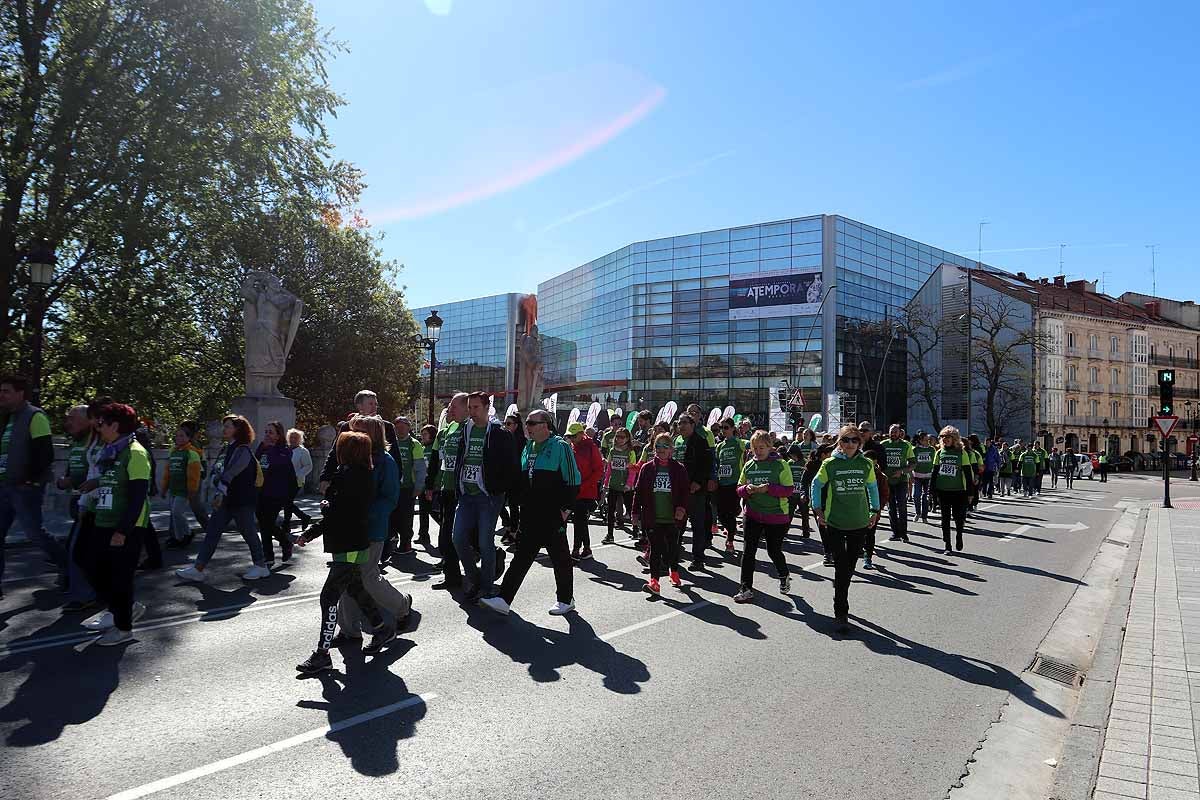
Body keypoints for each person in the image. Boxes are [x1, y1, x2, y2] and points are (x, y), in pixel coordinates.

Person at [295, 430, 393, 675]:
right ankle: (381, 628)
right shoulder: (355, 474)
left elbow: (339, 514)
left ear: (346, 451)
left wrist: (312, 530)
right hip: (349, 543)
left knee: (328, 597)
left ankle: (322, 654)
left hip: (349, 544)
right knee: (355, 589)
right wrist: (327, 510)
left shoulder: (353, 477)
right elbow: (339, 510)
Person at [481, 410, 579, 616]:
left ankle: (565, 599)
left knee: (560, 558)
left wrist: (565, 510)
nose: (528, 427)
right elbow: (522, 482)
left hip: (553, 515)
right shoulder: (528, 448)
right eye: (527, 423)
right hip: (530, 515)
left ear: (546, 425)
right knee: (522, 558)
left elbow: (573, 480)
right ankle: (504, 599)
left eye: (532, 423)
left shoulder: (561, 447)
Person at [74, 403, 151, 645]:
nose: (98, 427)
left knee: (120, 577)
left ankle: (123, 627)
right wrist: (95, 483)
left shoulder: (135, 452)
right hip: (103, 518)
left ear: (114, 426)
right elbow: (114, 479)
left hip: (126, 525)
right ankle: (124, 607)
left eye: (102, 423)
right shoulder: (112, 450)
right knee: (87, 562)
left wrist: (123, 531)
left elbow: (138, 494)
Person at [335, 415, 411, 646]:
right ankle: (349, 630)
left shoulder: (386, 462)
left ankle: (401, 605)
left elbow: (390, 498)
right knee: (348, 579)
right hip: (351, 528)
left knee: (367, 579)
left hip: (372, 529)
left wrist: (366, 513)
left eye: (358, 431)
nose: (352, 435)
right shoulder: (352, 459)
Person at [175, 415, 269, 582]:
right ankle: (198, 568)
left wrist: (219, 491)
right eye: (224, 426)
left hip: (241, 501)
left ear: (238, 430)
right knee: (212, 532)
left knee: (248, 533)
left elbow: (231, 473)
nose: (224, 429)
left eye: (228, 426)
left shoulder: (243, 450)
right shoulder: (227, 448)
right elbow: (218, 470)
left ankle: (261, 566)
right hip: (226, 500)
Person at [810, 424, 880, 632]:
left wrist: (875, 510)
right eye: (845, 440)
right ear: (839, 443)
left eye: (854, 440)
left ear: (860, 442)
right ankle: (841, 612)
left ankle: (841, 588)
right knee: (841, 567)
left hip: (859, 522)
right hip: (835, 523)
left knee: (849, 567)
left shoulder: (866, 464)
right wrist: (818, 508)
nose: (850, 444)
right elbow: (816, 484)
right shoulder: (830, 464)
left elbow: (872, 487)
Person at [451, 392, 515, 601]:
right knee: (458, 538)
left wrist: (501, 489)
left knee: (484, 541)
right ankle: (474, 577)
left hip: (488, 497)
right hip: (466, 495)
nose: (472, 412)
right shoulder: (466, 430)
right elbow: (461, 458)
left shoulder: (499, 432)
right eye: (469, 408)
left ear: (487, 407)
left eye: (476, 407)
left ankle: (486, 587)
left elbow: (511, 465)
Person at [0, 374, 61, 592]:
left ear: (20, 393)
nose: (1, 395)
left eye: (6, 391)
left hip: (24, 488)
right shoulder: (7, 418)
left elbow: (45, 453)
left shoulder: (35, 416)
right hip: (4, 486)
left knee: (35, 533)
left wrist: (29, 480)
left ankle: (66, 566)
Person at [734, 430, 794, 603]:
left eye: (762, 447)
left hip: (776, 515)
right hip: (752, 514)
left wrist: (768, 489)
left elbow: (789, 490)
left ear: (770, 447)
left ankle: (783, 574)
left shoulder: (780, 464)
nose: (758, 451)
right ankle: (745, 588)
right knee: (748, 551)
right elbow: (739, 487)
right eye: (755, 448)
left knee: (773, 550)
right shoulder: (749, 465)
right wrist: (747, 490)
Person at [632, 432, 688, 595]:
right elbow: (639, 491)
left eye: (665, 446)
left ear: (671, 449)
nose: (661, 449)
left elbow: (685, 492)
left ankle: (674, 571)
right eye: (658, 446)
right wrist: (635, 512)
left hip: (672, 518)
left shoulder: (679, 469)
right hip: (652, 517)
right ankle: (654, 582)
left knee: (672, 548)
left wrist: (681, 509)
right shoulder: (647, 468)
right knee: (655, 549)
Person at [58, 404, 102, 611]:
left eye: (73, 418)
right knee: (78, 548)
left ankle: (84, 594)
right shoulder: (79, 442)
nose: (69, 423)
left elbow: (100, 473)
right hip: (82, 501)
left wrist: (72, 481)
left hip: (96, 505)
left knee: (78, 549)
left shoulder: (99, 443)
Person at [426, 393, 468, 590]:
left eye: (453, 406)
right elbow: (436, 460)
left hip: (466, 493)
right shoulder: (445, 432)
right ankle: (452, 577)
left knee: (464, 537)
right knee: (446, 539)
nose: (449, 410)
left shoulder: (472, 429)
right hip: (446, 490)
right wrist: (429, 485)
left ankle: (492, 556)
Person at [318, 389, 399, 491]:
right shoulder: (347, 426)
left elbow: (395, 454)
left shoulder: (387, 427)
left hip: (379, 480)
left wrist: (396, 479)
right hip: (351, 479)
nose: (374, 407)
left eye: (376, 404)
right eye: (370, 403)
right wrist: (325, 477)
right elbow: (335, 452)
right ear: (359, 406)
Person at [675, 414, 714, 572]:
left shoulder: (700, 441)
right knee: (678, 524)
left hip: (695, 490)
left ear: (693, 425)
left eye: (685, 423)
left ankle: (698, 558)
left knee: (697, 525)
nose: (681, 426)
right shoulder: (676, 440)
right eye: (679, 423)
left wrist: (697, 482)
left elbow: (707, 463)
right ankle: (673, 555)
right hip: (678, 489)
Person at [255, 420, 297, 567]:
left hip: (276, 493)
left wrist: (271, 448)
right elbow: (256, 462)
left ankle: (274, 551)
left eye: (270, 432)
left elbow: (278, 463)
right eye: (266, 432)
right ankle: (275, 551)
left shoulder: (284, 451)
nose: (267, 435)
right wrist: (262, 447)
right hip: (261, 492)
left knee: (267, 523)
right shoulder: (263, 448)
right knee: (264, 524)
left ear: (278, 436)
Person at [162, 422, 204, 549]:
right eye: (177, 436)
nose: (179, 438)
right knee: (175, 514)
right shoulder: (173, 452)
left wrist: (192, 490)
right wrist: (164, 488)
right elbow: (167, 472)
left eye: (182, 436)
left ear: (188, 438)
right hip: (174, 489)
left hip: (184, 490)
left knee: (177, 512)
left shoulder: (192, 453)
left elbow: (194, 475)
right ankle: (179, 537)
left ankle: (186, 534)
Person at [565, 421, 603, 561]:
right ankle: (586, 549)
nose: (571, 438)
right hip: (576, 489)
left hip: (586, 491)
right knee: (580, 520)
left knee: (579, 519)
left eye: (574, 436)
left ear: (581, 434)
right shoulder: (573, 447)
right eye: (570, 436)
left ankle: (576, 549)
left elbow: (599, 470)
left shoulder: (591, 447)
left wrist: (584, 485)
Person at [389, 416, 425, 557]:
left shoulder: (414, 444)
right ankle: (393, 542)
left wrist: (418, 487)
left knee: (406, 518)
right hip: (392, 487)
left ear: (409, 428)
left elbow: (420, 468)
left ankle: (406, 543)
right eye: (397, 427)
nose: (400, 430)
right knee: (392, 517)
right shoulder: (391, 443)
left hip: (407, 487)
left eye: (403, 427)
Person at [932, 426, 972, 555]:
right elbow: (934, 473)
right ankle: (947, 545)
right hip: (943, 490)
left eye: (947, 437)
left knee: (958, 518)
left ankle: (959, 535)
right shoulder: (939, 453)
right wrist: (931, 491)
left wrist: (971, 493)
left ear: (954, 438)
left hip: (959, 490)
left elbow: (967, 473)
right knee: (945, 518)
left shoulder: (962, 453)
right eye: (943, 437)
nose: (945, 440)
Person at [714, 419, 746, 553]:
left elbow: (753, 445)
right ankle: (731, 527)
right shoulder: (720, 446)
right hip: (722, 483)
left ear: (733, 428)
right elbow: (716, 464)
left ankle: (730, 541)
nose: (723, 430)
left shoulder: (739, 443)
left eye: (726, 427)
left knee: (730, 514)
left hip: (734, 483)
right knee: (721, 514)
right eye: (721, 428)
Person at [602, 426, 637, 544]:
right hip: (614, 485)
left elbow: (632, 470)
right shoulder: (612, 451)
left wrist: (629, 484)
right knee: (611, 511)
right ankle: (610, 534)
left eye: (622, 437)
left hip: (626, 487)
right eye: (617, 436)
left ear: (627, 438)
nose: (619, 439)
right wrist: (606, 483)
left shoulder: (630, 452)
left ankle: (636, 530)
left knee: (630, 509)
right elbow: (609, 469)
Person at [880, 424, 915, 544]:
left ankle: (904, 533)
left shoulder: (906, 445)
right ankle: (895, 532)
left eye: (895, 431)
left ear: (900, 433)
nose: (893, 433)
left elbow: (913, 463)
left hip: (901, 481)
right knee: (891, 507)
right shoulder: (883, 444)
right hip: (887, 481)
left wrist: (902, 471)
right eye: (891, 431)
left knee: (902, 506)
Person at [498, 414, 525, 547]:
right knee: (499, 504)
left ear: (516, 425)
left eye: (508, 424)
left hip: (516, 479)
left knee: (514, 506)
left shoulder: (521, 441)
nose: (505, 426)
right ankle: (508, 525)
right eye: (505, 423)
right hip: (503, 478)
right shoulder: (503, 439)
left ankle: (514, 530)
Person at [283, 428, 313, 533]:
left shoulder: (303, 451)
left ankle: (286, 524)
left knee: (287, 501)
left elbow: (308, 466)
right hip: (283, 480)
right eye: (291, 437)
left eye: (296, 437)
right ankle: (304, 517)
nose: (293, 439)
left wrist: (298, 474)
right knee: (285, 501)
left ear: (300, 439)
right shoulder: (285, 449)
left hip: (297, 480)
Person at [416, 424, 436, 545]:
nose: (422, 437)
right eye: (421, 434)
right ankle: (423, 535)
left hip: (431, 486)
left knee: (434, 512)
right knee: (423, 513)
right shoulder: (422, 449)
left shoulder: (434, 449)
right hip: (422, 486)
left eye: (425, 434)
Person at [785, 444, 811, 539]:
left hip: (802, 492)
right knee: (789, 514)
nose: (792, 456)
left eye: (794, 454)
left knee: (805, 514)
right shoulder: (789, 463)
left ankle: (806, 532)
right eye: (791, 454)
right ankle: (785, 531)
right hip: (791, 493)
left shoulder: (805, 462)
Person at [911, 432, 934, 524]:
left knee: (926, 497)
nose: (927, 442)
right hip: (917, 476)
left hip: (928, 477)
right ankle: (917, 513)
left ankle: (924, 516)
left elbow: (934, 463)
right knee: (916, 495)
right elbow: (911, 463)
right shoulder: (915, 450)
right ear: (920, 440)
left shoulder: (932, 450)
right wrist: (911, 475)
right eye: (925, 440)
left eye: (928, 440)